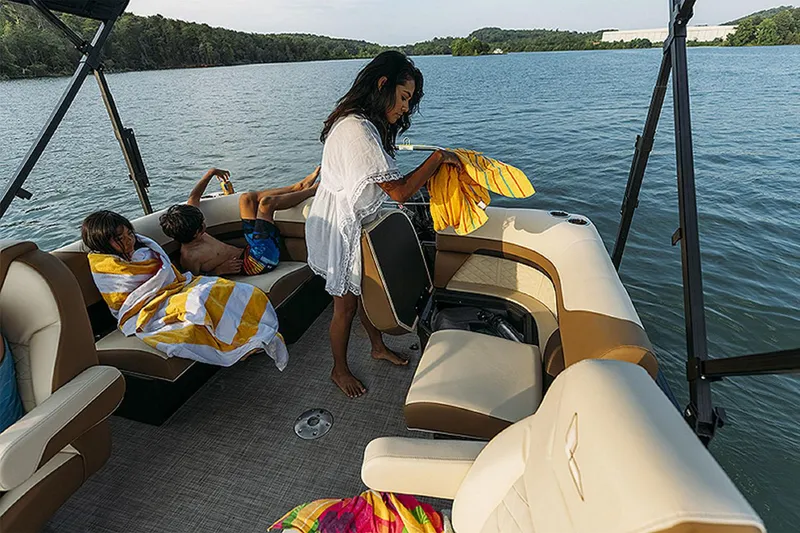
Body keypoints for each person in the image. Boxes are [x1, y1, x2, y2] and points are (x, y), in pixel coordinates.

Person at [306, 51, 462, 398]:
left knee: (361, 292)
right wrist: (437, 157)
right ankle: (338, 369)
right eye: (404, 97)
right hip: (340, 226)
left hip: (354, 218)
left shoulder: (360, 123)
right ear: (383, 85)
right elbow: (402, 192)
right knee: (344, 306)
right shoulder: (356, 130)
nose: (406, 108)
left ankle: (376, 346)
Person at [81, 210, 288, 368]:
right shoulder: (105, 267)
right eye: (119, 238)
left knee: (230, 288)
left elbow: (169, 276)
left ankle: (253, 334)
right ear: (102, 241)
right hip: (147, 308)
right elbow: (124, 300)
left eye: (129, 233)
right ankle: (240, 344)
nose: (129, 239)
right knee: (200, 300)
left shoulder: (145, 251)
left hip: (175, 289)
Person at [159, 167, 319, 276]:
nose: (204, 222)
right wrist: (218, 271)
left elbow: (193, 197)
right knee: (266, 204)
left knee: (246, 199)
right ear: (196, 232)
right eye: (202, 224)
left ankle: (298, 187)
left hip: (250, 250)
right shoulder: (189, 257)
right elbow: (195, 282)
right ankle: (313, 190)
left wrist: (211, 173)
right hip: (256, 264)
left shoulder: (189, 225)